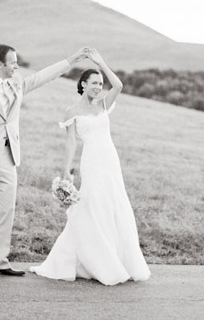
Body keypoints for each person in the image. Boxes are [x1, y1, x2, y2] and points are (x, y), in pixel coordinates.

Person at [0, 43, 92, 280]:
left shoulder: (17, 83)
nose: (16, 65)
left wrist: (73, 59)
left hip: (8, 158)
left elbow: (44, 76)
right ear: (0, 64)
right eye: (12, 62)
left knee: (6, 211)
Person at [30, 48, 150, 286]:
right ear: (82, 84)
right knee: (91, 206)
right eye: (94, 82)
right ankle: (93, 260)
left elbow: (119, 86)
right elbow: (71, 142)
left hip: (110, 162)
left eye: (100, 83)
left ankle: (116, 259)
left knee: (114, 205)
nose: (98, 86)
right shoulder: (72, 112)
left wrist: (101, 63)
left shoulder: (104, 104)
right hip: (92, 162)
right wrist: (66, 171)